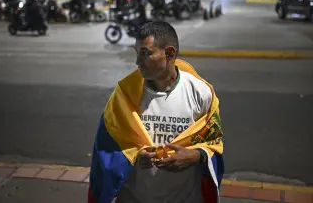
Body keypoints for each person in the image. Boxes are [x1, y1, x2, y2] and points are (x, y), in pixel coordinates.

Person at [88, 21, 224, 203]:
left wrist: (196, 156)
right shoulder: (124, 96)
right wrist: (135, 156)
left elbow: (213, 143)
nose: (137, 62)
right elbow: (107, 147)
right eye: (137, 53)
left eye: (145, 53)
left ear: (169, 53)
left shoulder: (201, 93)